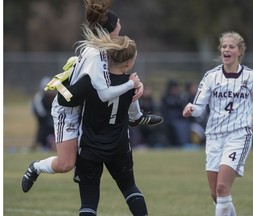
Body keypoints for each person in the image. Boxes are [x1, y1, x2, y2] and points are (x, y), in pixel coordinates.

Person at [21, 0, 162, 193]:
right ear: (109, 31)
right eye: (118, 26)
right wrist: (132, 84)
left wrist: (136, 84)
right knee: (66, 163)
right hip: (68, 110)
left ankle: (136, 117)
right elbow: (105, 94)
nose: (120, 29)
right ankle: (35, 167)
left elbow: (122, 71)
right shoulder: (96, 55)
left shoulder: (107, 49)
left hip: (85, 106)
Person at [182, 31, 253, 216]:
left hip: (238, 135)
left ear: (240, 51)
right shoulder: (211, 76)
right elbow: (199, 106)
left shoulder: (251, 77)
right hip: (214, 136)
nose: (226, 50)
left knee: (222, 188)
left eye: (231, 47)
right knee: (216, 194)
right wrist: (191, 109)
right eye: (224, 46)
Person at [59, 26, 148, 216]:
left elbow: (67, 98)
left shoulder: (92, 81)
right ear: (129, 63)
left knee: (89, 203)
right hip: (119, 147)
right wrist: (134, 86)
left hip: (90, 148)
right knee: (130, 188)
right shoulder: (132, 85)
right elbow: (134, 116)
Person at [30, 76, 56, 151]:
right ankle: (40, 144)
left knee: (49, 130)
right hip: (42, 117)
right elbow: (39, 109)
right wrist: (44, 116)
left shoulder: (51, 95)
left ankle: (47, 144)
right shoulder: (39, 96)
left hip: (48, 117)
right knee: (42, 129)